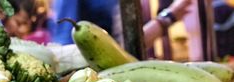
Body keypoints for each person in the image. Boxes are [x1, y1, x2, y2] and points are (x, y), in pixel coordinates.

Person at [48, 0, 191, 49]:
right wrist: (169, 16)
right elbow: (68, 53)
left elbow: (129, 47)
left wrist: (170, 16)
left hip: (124, 79)